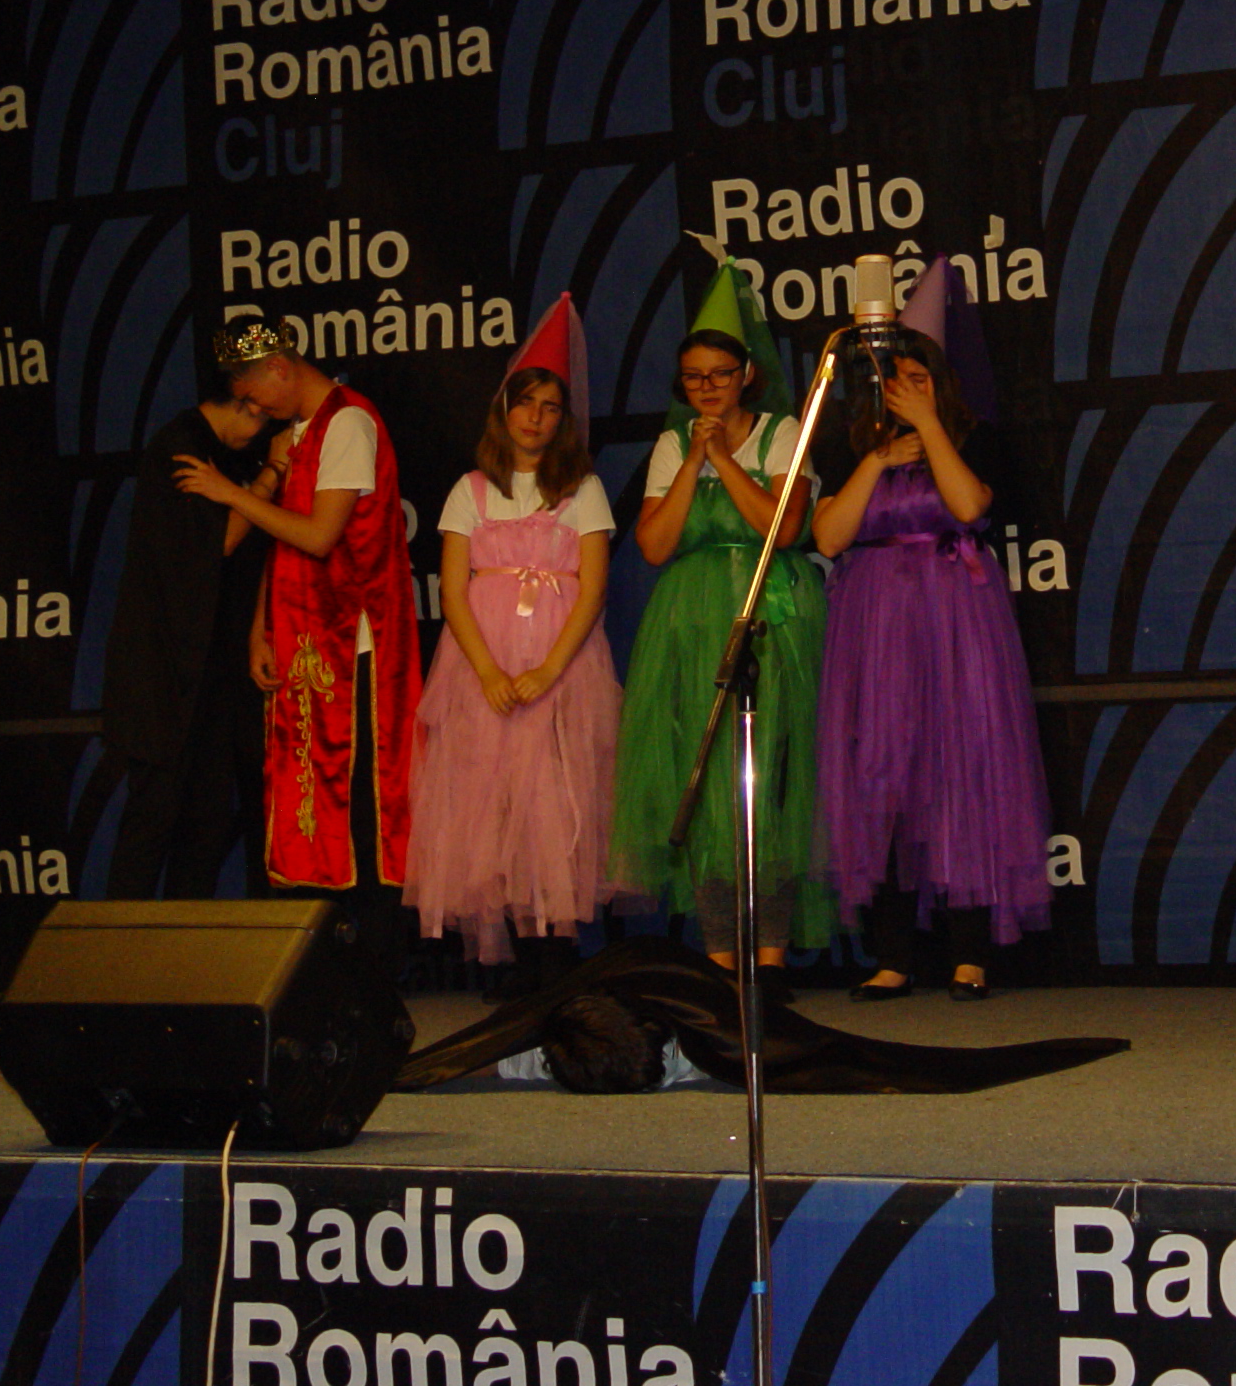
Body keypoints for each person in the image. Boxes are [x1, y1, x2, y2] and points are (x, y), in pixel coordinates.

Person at [813, 260, 1050, 1002]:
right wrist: (877, 457)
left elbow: (970, 507)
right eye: (892, 376)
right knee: (880, 777)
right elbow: (827, 536)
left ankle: (969, 954)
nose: (901, 387)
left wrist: (928, 428)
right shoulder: (853, 444)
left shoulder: (971, 435)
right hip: (875, 627)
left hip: (955, 623)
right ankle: (890, 954)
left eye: (916, 376)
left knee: (963, 774)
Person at [173, 326, 423, 976]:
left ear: (281, 368)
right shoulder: (304, 434)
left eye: (255, 393)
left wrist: (231, 493)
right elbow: (286, 548)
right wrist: (261, 624)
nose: (256, 409)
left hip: (354, 643)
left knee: (363, 802)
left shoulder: (348, 425)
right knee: (310, 798)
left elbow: (318, 535)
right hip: (306, 639)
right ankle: (322, 955)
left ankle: (372, 959)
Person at [610, 256, 831, 982]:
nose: (706, 388)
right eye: (694, 378)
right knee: (702, 788)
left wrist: (727, 461)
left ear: (746, 377)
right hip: (691, 620)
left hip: (771, 616)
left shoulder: (779, 431)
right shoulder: (674, 445)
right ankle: (718, 961)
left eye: (719, 374)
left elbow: (785, 525)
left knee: (771, 783)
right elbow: (652, 543)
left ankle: (769, 960)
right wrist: (689, 463)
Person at [405, 295, 622, 996]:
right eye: (526, 403)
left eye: (550, 407)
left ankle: (555, 956)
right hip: (485, 668)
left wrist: (550, 670)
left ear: (563, 420)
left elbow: (590, 589)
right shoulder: (471, 490)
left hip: (560, 670)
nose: (536, 417)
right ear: (504, 410)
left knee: (556, 804)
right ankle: (512, 977)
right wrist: (490, 670)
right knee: (489, 800)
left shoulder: (581, 490)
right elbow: (453, 584)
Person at [394, 936, 1127, 1094]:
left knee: (822, 1050)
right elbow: (482, 1052)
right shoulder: (545, 1049)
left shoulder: (689, 1043)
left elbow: (799, 1051)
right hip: (608, 1013)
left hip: (671, 983)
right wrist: (417, 1074)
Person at [101, 378, 281, 899]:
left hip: (208, 670)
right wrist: (270, 475)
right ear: (246, 405)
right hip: (162, 671)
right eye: (262, 420)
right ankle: (118, 957)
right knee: (153, 815)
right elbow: (219, 541)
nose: (262, 433)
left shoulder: (224, 456)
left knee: (205, 818)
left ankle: (186, 951)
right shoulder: (182, 449)